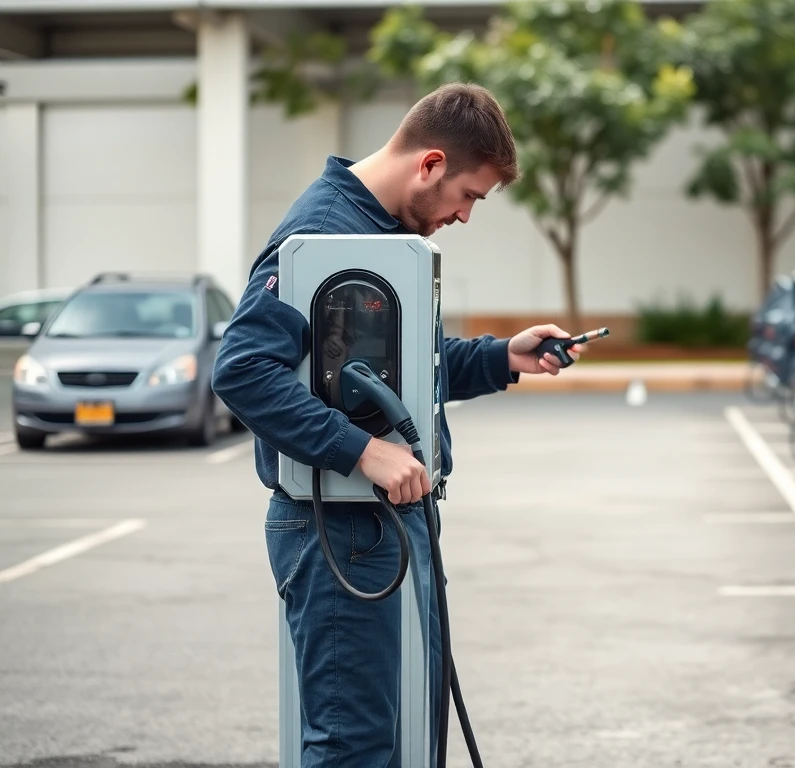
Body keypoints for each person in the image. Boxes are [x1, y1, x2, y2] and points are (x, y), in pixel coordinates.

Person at [211, 82, 585, 767]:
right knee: (355, 747)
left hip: (384, 523)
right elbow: (240, 370)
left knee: (408, 736)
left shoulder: (382, 238)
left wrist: (504, 357)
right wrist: (361, 452)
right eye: (469, 195)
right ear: (431, 163)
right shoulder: (325, 229)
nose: (466, 216)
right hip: (340, 530)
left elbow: (400, 377)